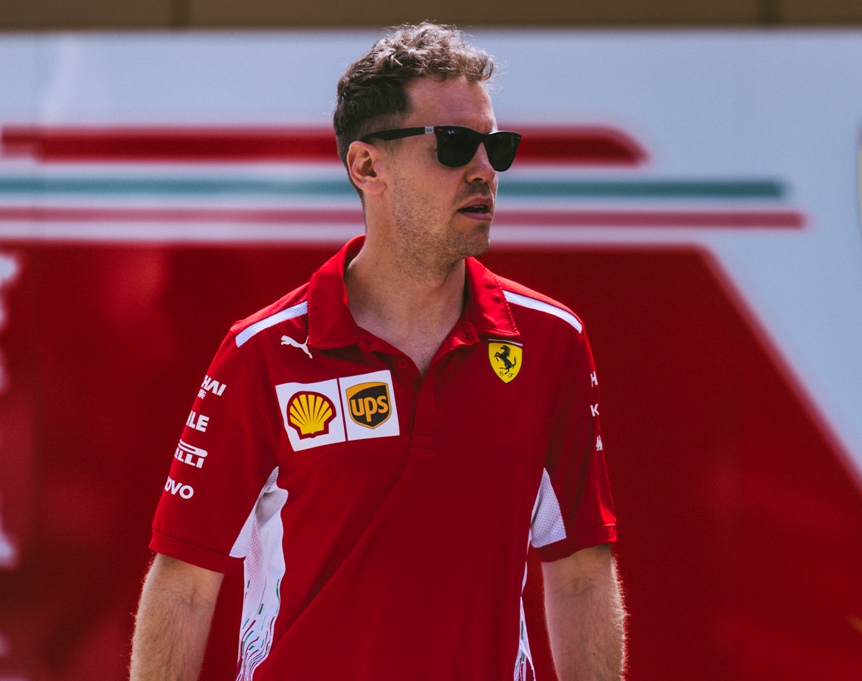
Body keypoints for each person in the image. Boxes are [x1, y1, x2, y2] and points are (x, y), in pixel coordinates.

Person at [130, 23, 624, 681]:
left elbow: (581, 570)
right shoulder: (263, 352)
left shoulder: (550, 341)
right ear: (367, 167)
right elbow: (185, 585)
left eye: (496, 146)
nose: (484, 169)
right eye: (455, 144)